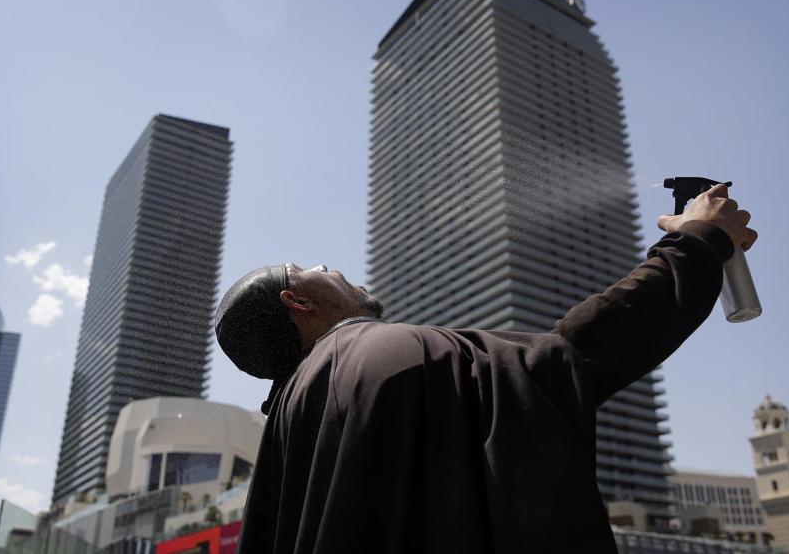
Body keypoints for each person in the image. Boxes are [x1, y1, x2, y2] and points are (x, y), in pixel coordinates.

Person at [214, 184, 756, 553]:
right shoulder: (380, 354)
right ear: (298, 303)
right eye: (308, 268)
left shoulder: (289, 421)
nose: (327, 266)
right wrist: (696, 243)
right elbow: (566, 360)